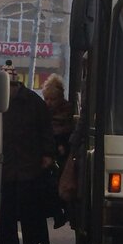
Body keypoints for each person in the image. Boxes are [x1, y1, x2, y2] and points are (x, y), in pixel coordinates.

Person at [0, 66, 55, 244]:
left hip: (29, 167)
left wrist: (47, 154)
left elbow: (46, 129)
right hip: (7, 167)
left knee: (32, 210)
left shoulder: (33, 102)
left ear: (15, 85)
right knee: (6, 213)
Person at [41, 74, 72, 229]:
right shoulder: (44, 114)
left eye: (52, 99)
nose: (49, 103)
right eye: (46, 99)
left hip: (64, 156)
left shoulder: (67, 112)